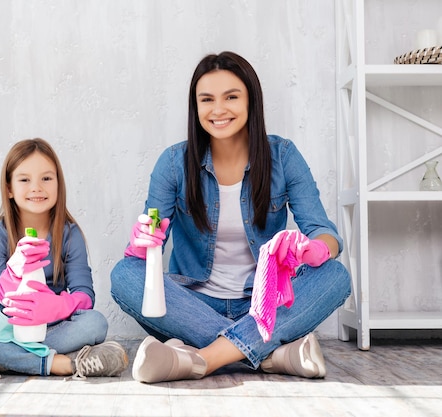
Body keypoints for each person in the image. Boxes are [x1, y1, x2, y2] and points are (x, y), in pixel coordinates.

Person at [110, 51, 352, 384]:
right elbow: (144, 255)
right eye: (207, 99)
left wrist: (316, 250)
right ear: (195, 107)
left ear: (251, 100)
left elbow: (324, 232)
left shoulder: (283, 156)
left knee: (335, 276)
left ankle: (204, 359)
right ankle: (269, 355)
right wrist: (141, 243)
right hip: (193, 305)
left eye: (231, 97)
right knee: (125, 275)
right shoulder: (172, 163)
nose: (218, 109)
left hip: (265, 302)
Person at [0, 138, 128, 380]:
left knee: (96, 323)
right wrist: (13, 273)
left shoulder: (69, 235)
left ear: (58, 184)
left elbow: (85, 296)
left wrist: (56, 307)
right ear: (9, 188)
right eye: (24, 180)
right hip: (7, 327)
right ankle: (53, 363)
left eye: (46, 178)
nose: (36, 187)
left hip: (53, 328)